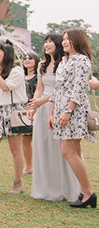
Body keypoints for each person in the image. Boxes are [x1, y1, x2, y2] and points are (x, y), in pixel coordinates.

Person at [26, 33, 80, 201]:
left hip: (60, 106)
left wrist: (43, 101)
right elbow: (39, 88)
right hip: (42, 108)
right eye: (45, 42)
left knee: (60, 148)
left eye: (50, 41)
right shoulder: (42, 65)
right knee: (42, 146)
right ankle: (46, 188)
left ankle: (66, 188)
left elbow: (63, 90)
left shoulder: (65, 64)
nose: (47, 44)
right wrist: (33, 105)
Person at [52, 28, 96, 208]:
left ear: (77, 40)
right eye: (63, 39)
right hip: (62, 108)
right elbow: (59, 88)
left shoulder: (82, 60)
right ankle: (84, 191)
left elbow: (79, 88)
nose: (64, 42)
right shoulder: (64, 60)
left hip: (74, 111)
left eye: (68, 39)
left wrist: (68, 110)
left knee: (67, 151)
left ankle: (88, 192)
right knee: (74, 152)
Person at [0, 40, 28, 194]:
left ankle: (18, 182)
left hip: (13, 111)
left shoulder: (17, 71)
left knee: (15, 149)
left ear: (7, 54)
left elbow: (5, 87)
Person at [21, 52, 40, 175]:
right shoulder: (20, 76)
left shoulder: (39, 77)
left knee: (38, 138)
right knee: (25, 139)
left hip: (37, 108)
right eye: (25, 58)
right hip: (23, 110)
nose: (27, 60)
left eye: (30, 58)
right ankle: (28, 166)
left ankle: (40, 166)